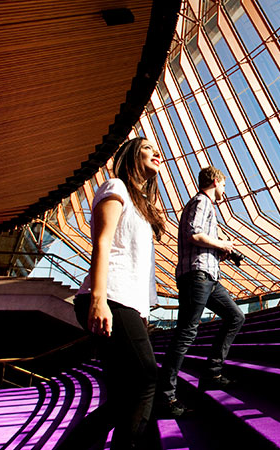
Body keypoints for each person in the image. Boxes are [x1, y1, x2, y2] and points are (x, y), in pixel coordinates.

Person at [58, 137, 165, 450]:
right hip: (111, 298)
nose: (157, 153)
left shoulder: (141, 205)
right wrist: (99, 299)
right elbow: (102, 244)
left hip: (128, 303)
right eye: (147, 148)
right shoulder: (115, 187)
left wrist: (143, 313)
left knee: (125, 395)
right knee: (146, 379)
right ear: (131, 155)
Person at [156, 166, 245, 418]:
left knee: (236, 316)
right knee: (186, 332)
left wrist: (219, 252)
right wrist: (223, 243)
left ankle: (213, 372)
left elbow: (197, 241)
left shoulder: (201, 204)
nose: (225, 190)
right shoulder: (203, 201)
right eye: (224, 185)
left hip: (206, 274)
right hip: (198, 276)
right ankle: (166, 396)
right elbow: (194, 233)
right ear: (215, 181)